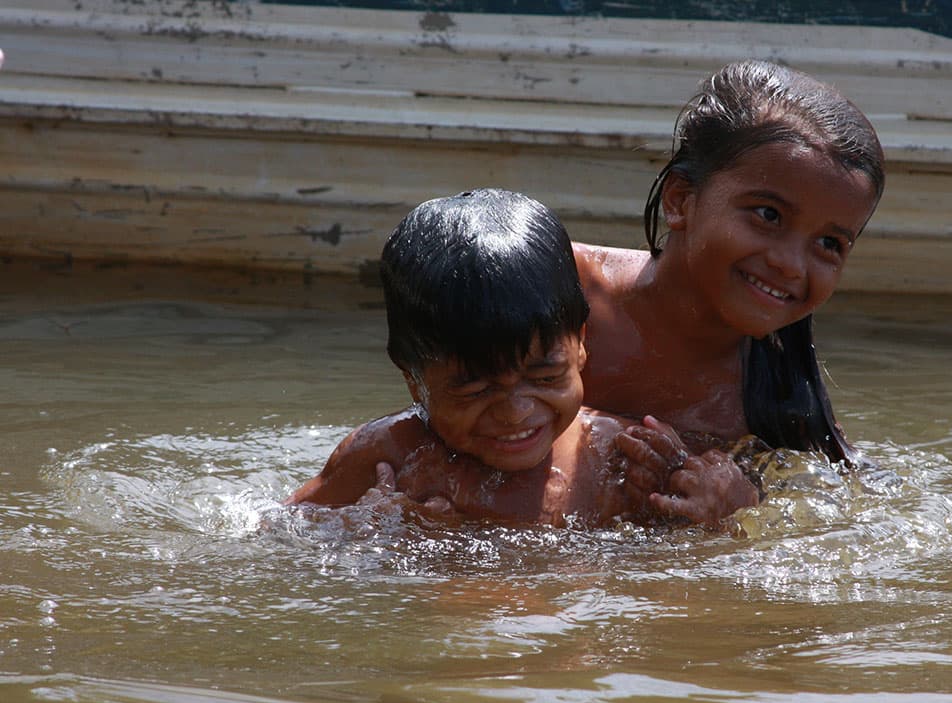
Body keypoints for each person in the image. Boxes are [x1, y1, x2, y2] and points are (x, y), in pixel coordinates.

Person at [286, 188, 758, 529]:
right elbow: (277, 536)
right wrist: (369, 533)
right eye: (476, 389)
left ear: (581, 344)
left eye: (546, 375)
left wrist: (729, 505)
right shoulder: (390, 454)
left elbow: (727, 542)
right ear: (414, 381)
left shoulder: (620, 454)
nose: (516, 411)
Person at [572, 60, 886, 465]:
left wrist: (734, 509)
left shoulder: (783, 409)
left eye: (829, 243)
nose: (791, 265)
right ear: (680, 200)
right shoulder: (559, 290)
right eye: (769, 215)